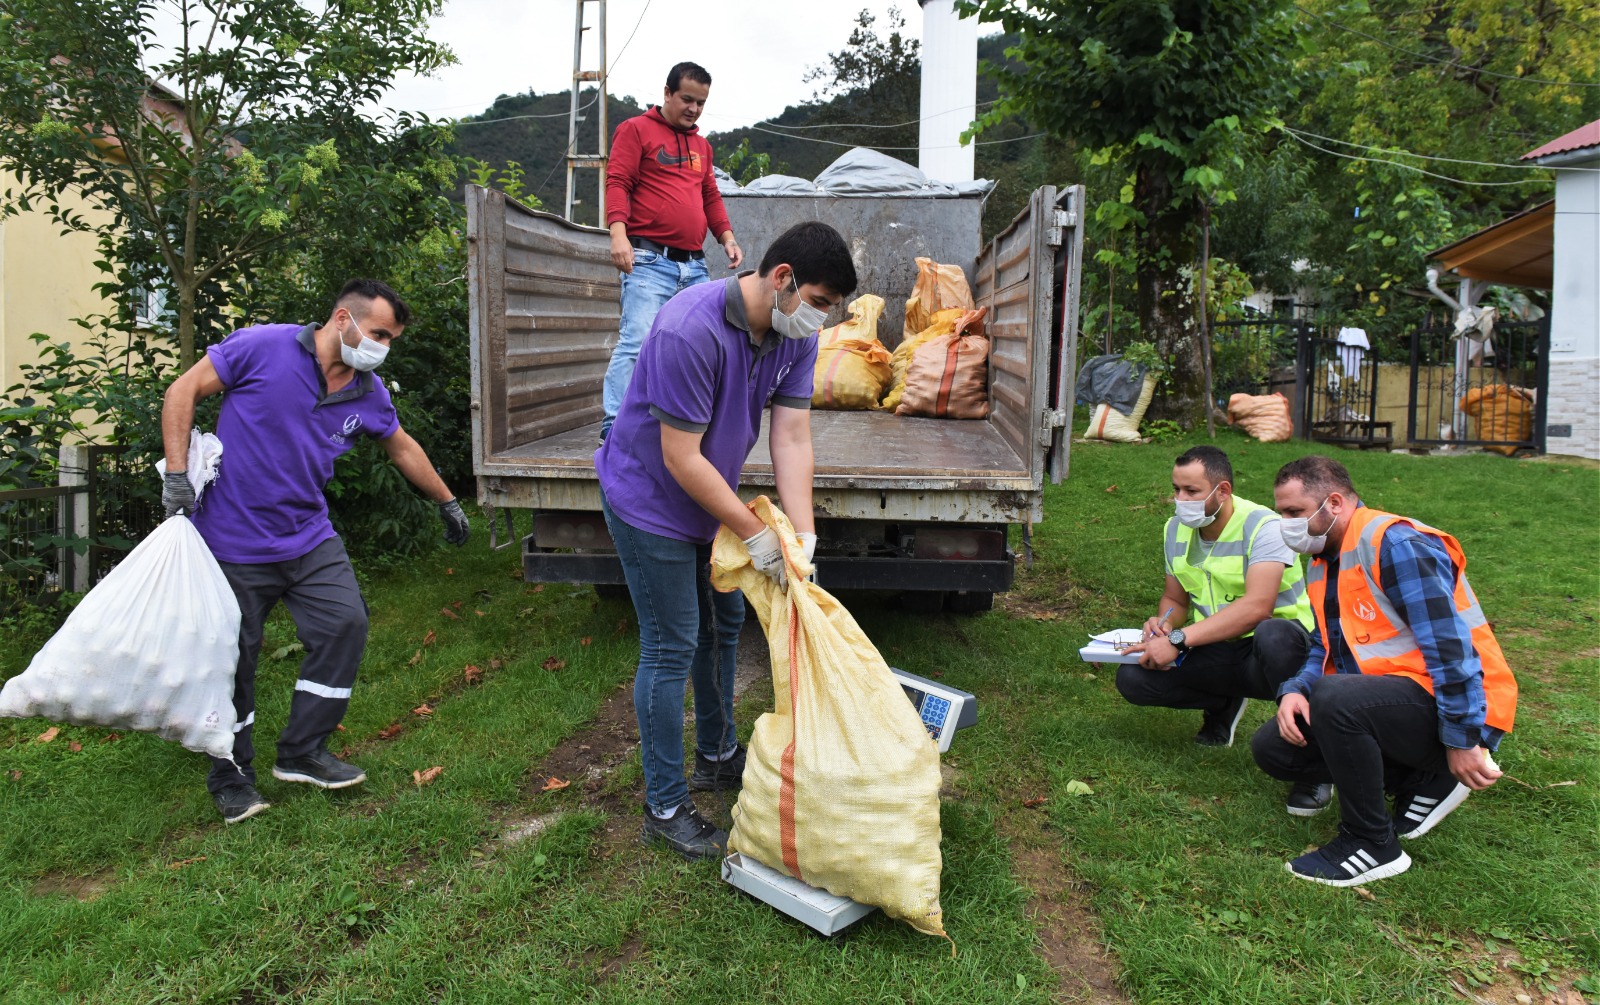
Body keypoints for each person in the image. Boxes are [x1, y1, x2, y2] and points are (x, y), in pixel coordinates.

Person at [160, 279, 470, 825]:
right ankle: (231, 775)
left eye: (391, 339)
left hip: (307, 537)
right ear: (342, 319)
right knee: (233, 661)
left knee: (344, 624)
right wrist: (178, 472)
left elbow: (400, 446)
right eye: (378, 333)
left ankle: (303, 750)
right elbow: (181, 392)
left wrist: (446, 501)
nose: (383, 347)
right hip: (234, 541)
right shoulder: (261, 347)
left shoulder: (368, 390)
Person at [595, 221, 855, 861]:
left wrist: (803, 536)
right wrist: (754, 534)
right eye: (819, 302)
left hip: (710, 495)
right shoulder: (691, 327)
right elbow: (681, 458)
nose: (821, 319)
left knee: (725, 620)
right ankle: (664, 805)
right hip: (649, 498)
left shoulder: (794, 335)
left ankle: (716, 755)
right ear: (782, 278)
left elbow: (791, 438)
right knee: (671, 643)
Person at [1252, 455, 1517, 886]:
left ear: (1333, 502)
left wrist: (1463, 739)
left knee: (1335, 698)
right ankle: (1424, 777)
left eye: (1294, 513)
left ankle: (1372, 843)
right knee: (1274, 748)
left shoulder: (1395, 544)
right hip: (1398, 701)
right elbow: (1325, 642)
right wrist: (1295, 689)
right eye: (1282, 512)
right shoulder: (1324, 558)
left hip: (1462, 708)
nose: (1286, 524)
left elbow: (1449, 649)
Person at [1116, 447, 1324, 805]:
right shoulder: (1175, 528)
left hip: (1280, 649)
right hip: (1216, 644)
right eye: (1176, 489)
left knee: (1272, 635)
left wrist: (1179, 640)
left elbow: (1258, 608)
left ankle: (1316, 765)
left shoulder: (1265, 526)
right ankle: (1223, 704)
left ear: (1223, 490)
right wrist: (1162, 625)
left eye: (1192, 491)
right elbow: (1176, 600)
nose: (1180, 500)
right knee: (1133, 678)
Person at [602, 60, 744, 440]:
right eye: (687, 99)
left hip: (694, 266)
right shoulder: (635, 130)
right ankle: (614, 428)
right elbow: (617, 182)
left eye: (701, 102)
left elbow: (710, 195)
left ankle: (685, 426)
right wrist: (618, 235)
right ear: (667, 93)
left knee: (700, 345)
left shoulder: (702, 146)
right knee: (639, 341)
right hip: (649, 260)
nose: (694, 109)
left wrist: (726, 237)